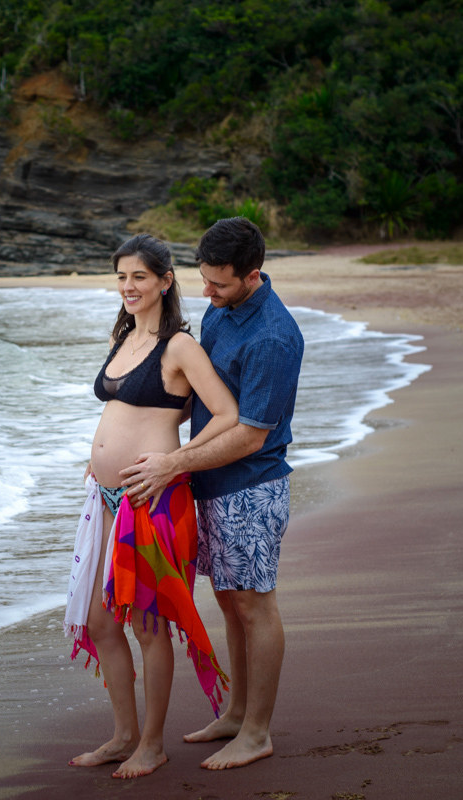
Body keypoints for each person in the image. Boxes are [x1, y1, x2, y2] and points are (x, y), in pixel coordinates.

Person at [118, 217, 304, 771]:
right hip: (209, 485)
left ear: (253, 275)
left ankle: (257, 731)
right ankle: (235, 712)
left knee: (253, 603)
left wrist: (173, 463)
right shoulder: (221, 312)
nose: (207, 293)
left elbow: (250, 433)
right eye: (203, 280)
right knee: (228, 601)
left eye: (219, 284)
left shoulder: (274, 335)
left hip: (251, 488)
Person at [63, 233, 239, 779]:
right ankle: (122, 735)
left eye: (139, 276)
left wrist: (174, 461)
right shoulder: (123, 337)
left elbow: (228, 414)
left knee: (147, 626)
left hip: (153, 501)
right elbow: (121, 415)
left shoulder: (180, 345)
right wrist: (100, 460)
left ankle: (152, 744)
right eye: (120, 277)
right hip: (109, 498)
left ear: (165, 280)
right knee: (99, 623)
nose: (128, 286)